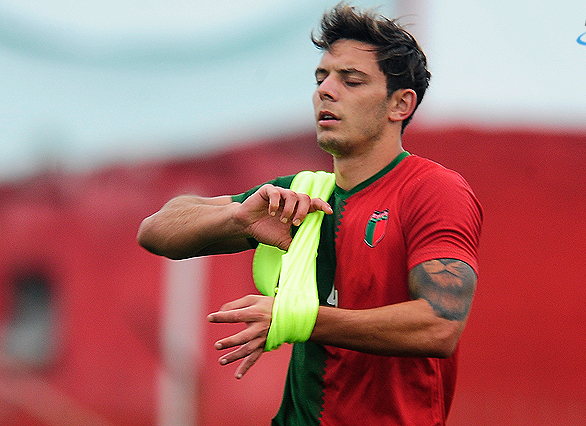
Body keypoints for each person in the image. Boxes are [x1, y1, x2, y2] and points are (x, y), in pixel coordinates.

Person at [137, 4, 482, 425]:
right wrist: (238, 219)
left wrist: (293, 319)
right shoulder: (301, 195)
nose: (326, 91)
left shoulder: (433, 190)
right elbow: (154, 230)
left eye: (351, 80)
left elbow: (439, 325)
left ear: (400, 104)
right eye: (321, 78)